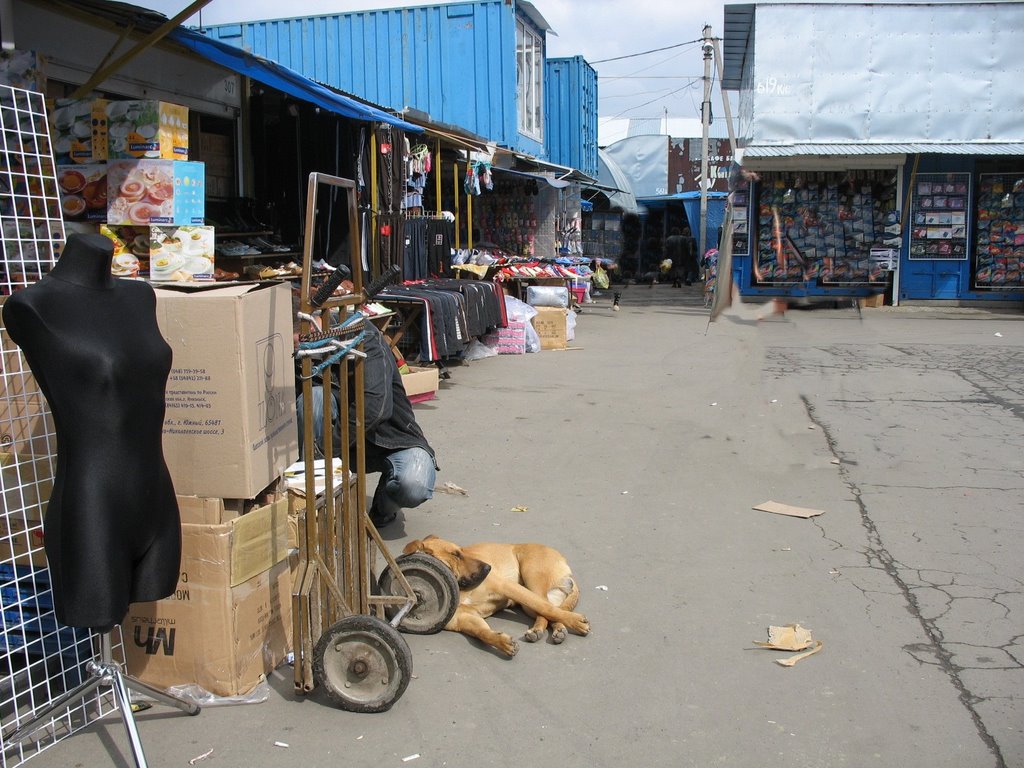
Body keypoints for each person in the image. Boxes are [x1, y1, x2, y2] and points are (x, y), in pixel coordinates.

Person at [1, 233, 181, 631]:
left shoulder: (140, 297)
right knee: (97, 616)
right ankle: (104, 684)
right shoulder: (31, 307)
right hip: (92, 505)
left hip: (157, 496)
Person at [296, 320, 437, 528]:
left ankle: (383, 508)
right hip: (339, 442)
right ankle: (321, 503)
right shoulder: (298, 351)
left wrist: (324, 449)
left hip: (390, 438)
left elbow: (374, 408)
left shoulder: (365, 337)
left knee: (414, 485)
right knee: (314, 397)